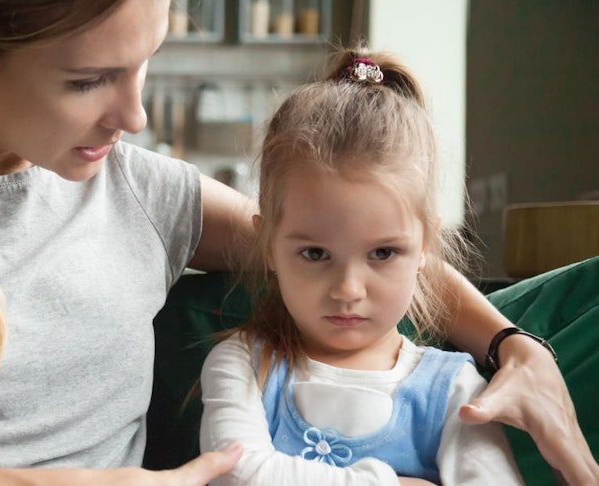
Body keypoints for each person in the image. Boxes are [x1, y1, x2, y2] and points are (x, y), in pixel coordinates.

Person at [0, 1, 596, 484]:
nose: (137, 111)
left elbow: (357, 244)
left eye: (144, 62)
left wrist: (513, 345)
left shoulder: (143, 190)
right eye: (91, 80)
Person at [199, 49, 525, 485]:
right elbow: (236, 474)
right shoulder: (241, 363)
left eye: (383, 253)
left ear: (425, 243)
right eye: (315, 254)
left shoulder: (453, 389)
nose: (348, 289)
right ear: (269, 246)